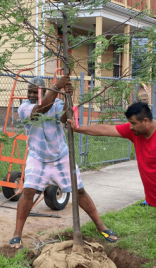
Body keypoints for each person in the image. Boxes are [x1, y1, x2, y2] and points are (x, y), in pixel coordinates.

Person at [68, 102, 156, 268]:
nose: (130, 127)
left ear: (145, 121)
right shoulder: (137, 132)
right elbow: (106, 130)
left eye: (133, 123)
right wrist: (78, 129)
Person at [9, 76, 118, 249]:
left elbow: (63, 117)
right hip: (38, 158)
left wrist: (68, 97)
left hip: (61, 158)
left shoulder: (55, 103)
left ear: (43, 91)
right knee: (28, 192)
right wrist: (56, 87)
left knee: (79, 191)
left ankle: (100, 226)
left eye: (34, 91)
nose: (30, 94)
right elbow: (39, 111)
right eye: (28, 91)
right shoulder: (24, 108)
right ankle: (17, 234)